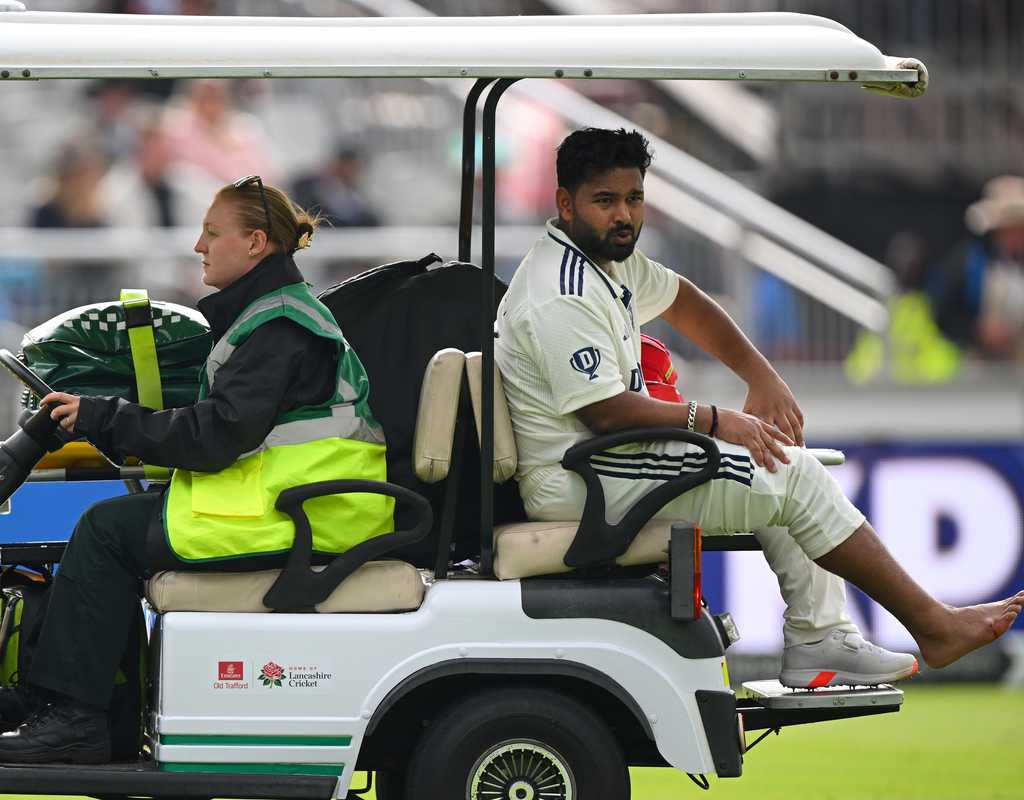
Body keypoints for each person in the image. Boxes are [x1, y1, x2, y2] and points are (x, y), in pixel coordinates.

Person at [494, 127, 1023, 688]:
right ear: (566, 204)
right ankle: (931, 625)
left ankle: (819, 636)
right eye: (606, 201)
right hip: (578, 476)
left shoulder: (605, 260)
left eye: (634, 198)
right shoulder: (561, 289)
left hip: (610, 461)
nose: (624, 214)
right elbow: (605, 413)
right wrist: (718, 419)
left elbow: (685, 302)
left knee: (783, 464)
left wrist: (760, 376)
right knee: (790, 475)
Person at [0, 177, 392, 763]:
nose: (198, 245)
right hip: (292, 499)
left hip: (307, 510)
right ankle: (78, 705)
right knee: (112, 526)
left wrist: (110, 416)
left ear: (256, 242)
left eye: (212, 232)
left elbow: (215, 436)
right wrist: (111, 420)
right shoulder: (268, 314)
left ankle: (75, 720)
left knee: (105, 532)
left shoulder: (279, 326)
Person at [932, 175, 1024, 361]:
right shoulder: (968, 262)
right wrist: (977, 331)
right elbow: (942, 313)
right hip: (978, 366)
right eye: (1010, 227)